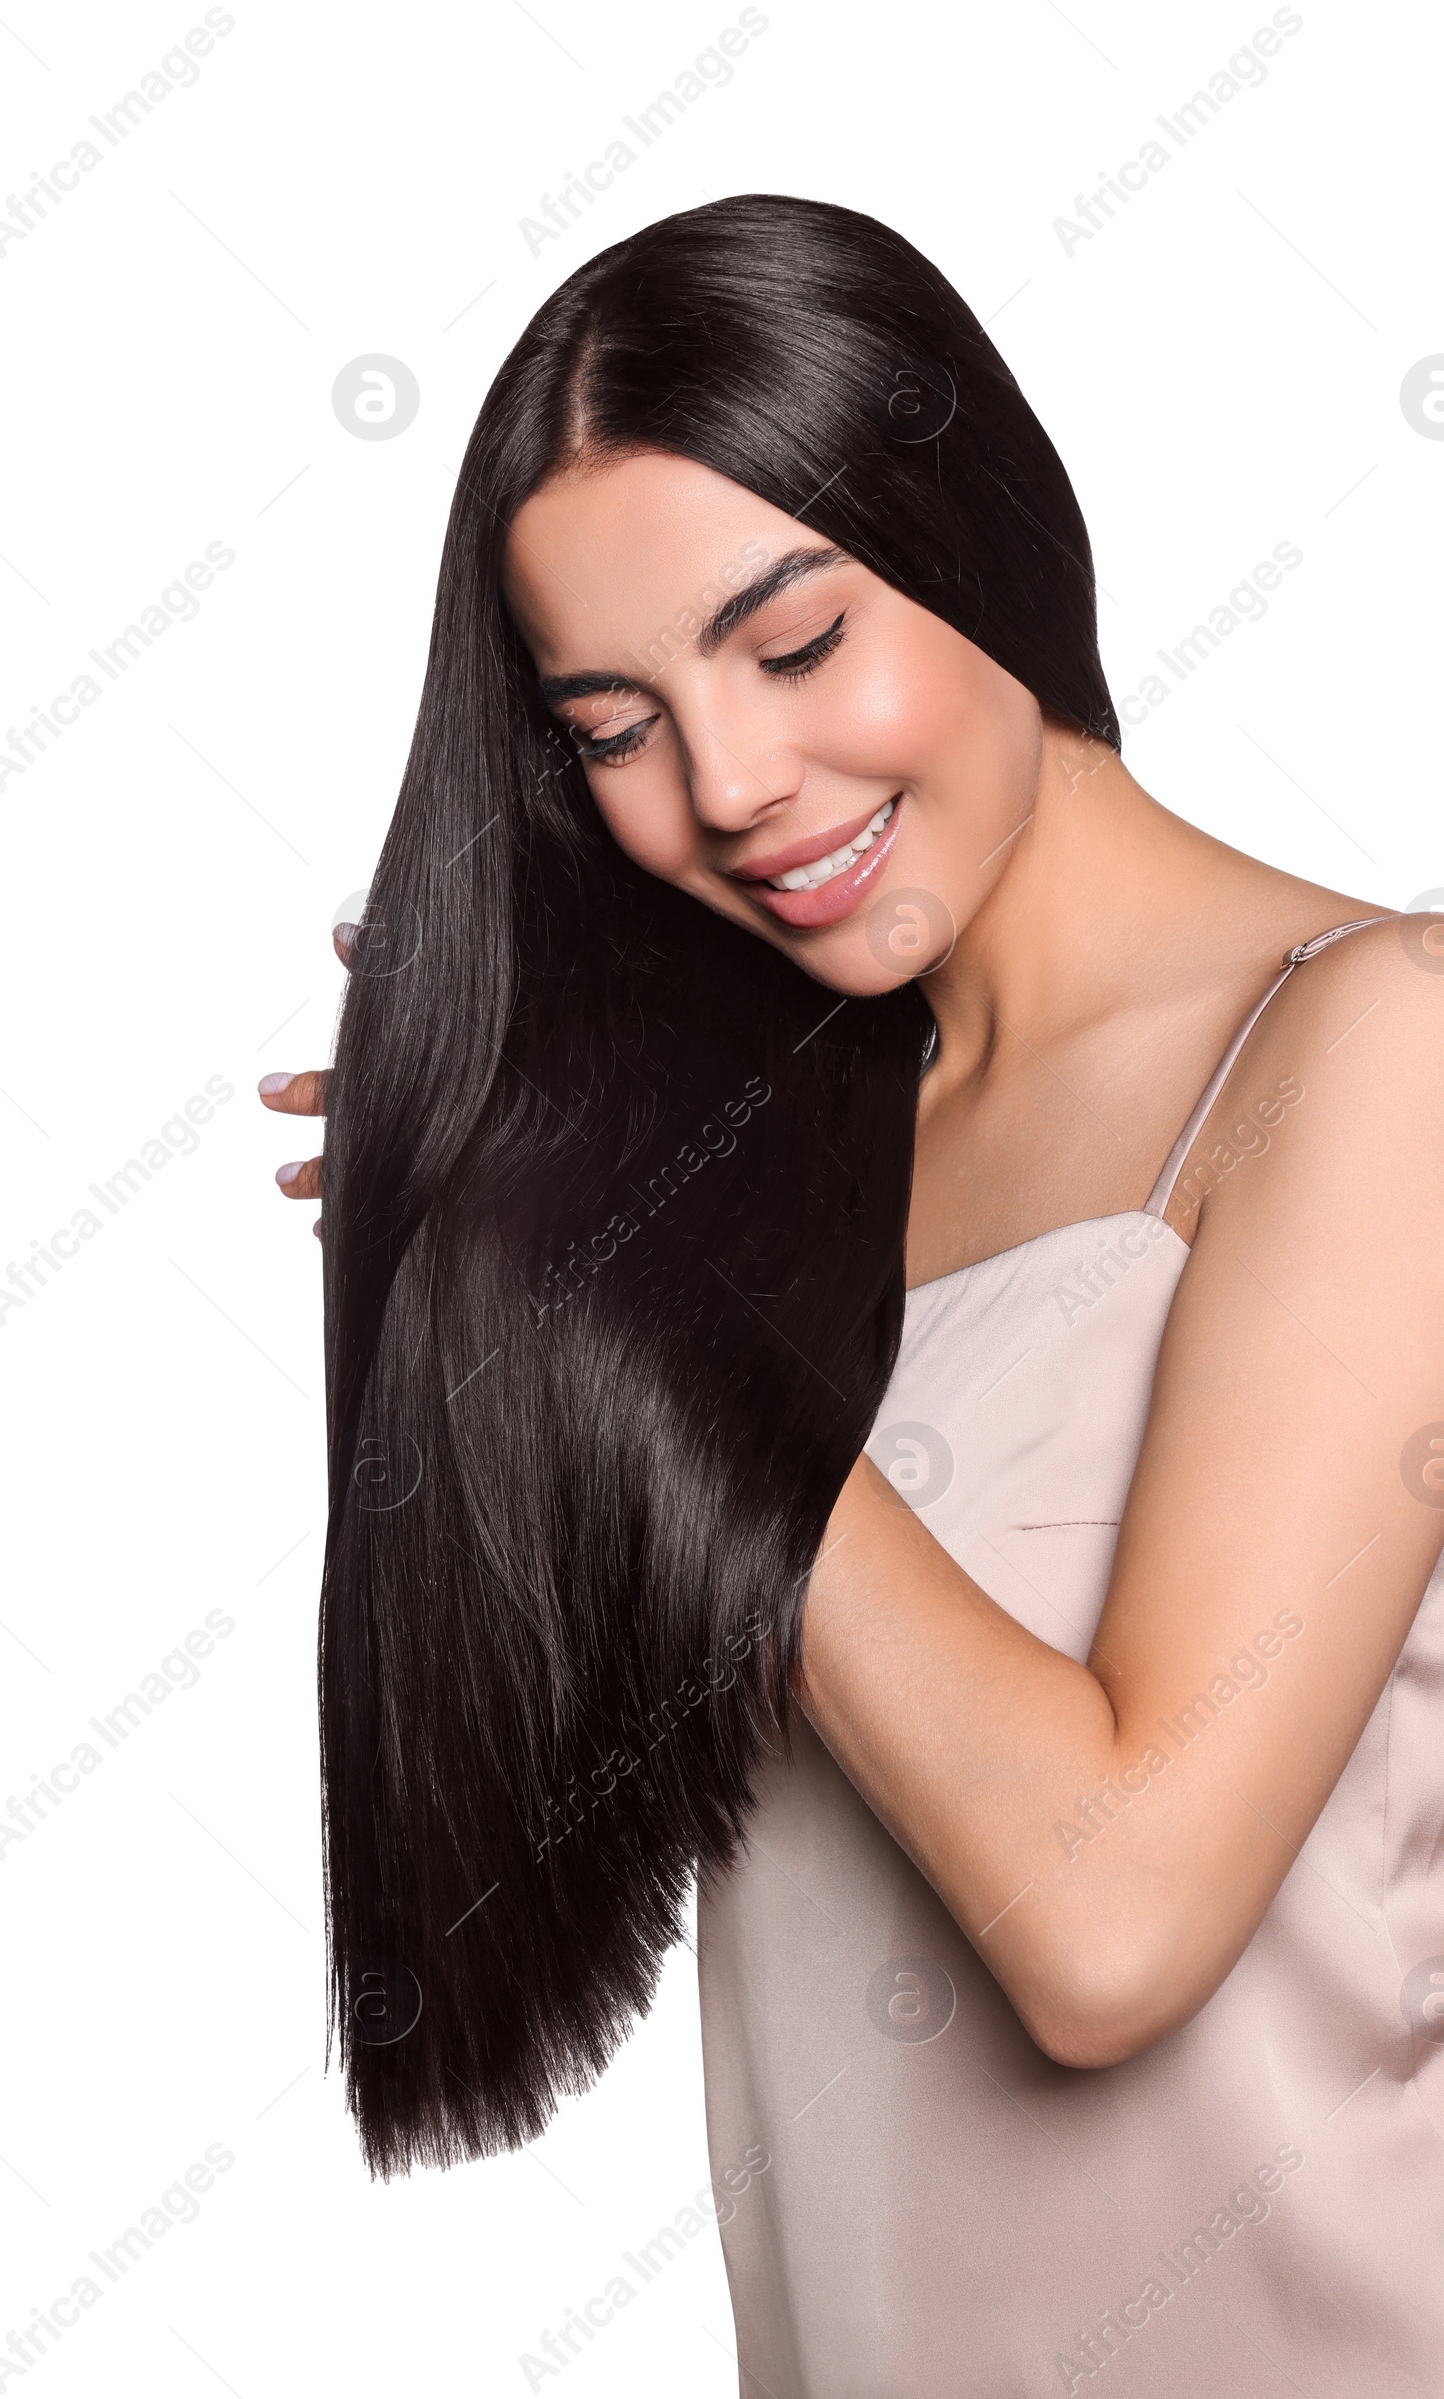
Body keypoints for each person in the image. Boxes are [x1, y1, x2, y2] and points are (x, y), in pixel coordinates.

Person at [260, 195, 1444, 2393]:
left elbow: (1108, 1923)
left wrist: (653, 1298)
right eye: (611, 724)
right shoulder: (794, 1154)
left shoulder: (1377, 1041)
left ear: (975, 535)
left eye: (792, 647)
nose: (725, 787)